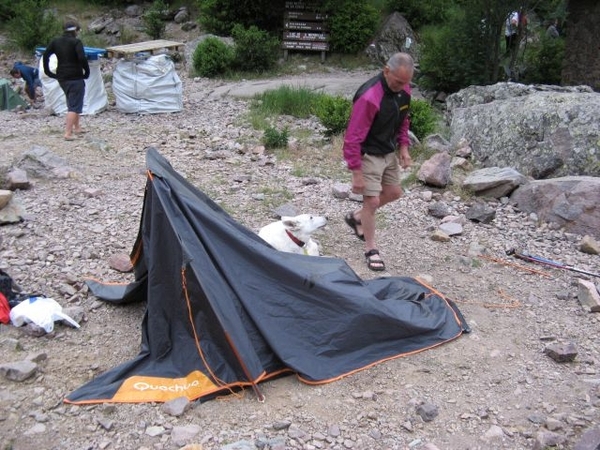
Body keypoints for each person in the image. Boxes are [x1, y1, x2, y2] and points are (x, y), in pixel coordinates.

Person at [342, 52, 414, 272]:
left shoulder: (404, 91)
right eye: (398, 81)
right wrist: (356, 171)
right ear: (386, 71)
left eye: (406, 82)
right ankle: (371, 249)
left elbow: (403, 120)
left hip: (388, 151)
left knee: (394, 193)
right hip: (368, 153)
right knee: (371, 203)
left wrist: (403, 147)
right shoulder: (369, 97)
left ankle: (357, 218)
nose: (402, 87)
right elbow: (352, 137)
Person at [42, 19, 90, 141]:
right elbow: (82, 58)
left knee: (72, 100)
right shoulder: (76, 42)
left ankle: (77, 127)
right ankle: (68, 133)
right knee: (74, 105)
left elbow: (46, 55)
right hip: (75, 76)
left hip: (62, 77)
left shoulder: (56, 41)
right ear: (75, 30)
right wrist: (86, 71)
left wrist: (48, 71)